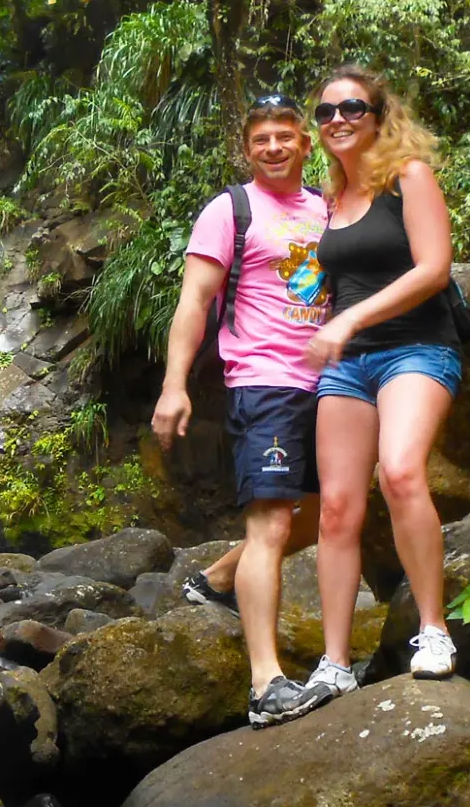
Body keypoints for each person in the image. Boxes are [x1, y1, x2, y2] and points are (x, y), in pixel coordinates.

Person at [278, 64, 461, 721]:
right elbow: (317, 284)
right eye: (326, 112)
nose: (338, 120)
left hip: (417, 348)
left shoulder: (408, 176)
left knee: (401, 472)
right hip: (348, 364)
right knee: (335, 509)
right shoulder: (331, 201)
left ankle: (434, 631)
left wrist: (350, 319)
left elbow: (434, 269)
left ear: (379, 116)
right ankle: (334, 664)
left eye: (352, 108)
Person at [152, 94, 329, 728]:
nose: (273, 147)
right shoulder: (230, 210)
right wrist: (174, 386)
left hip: (330, 386)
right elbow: (194, 301)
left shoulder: (330, 208)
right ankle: (265, 684)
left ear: (305, 142)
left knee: (326, 517)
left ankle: (218, 579)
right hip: (264, 382)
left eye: (284, 136)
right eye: (261, 139)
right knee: (273, 524)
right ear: (246, 148)